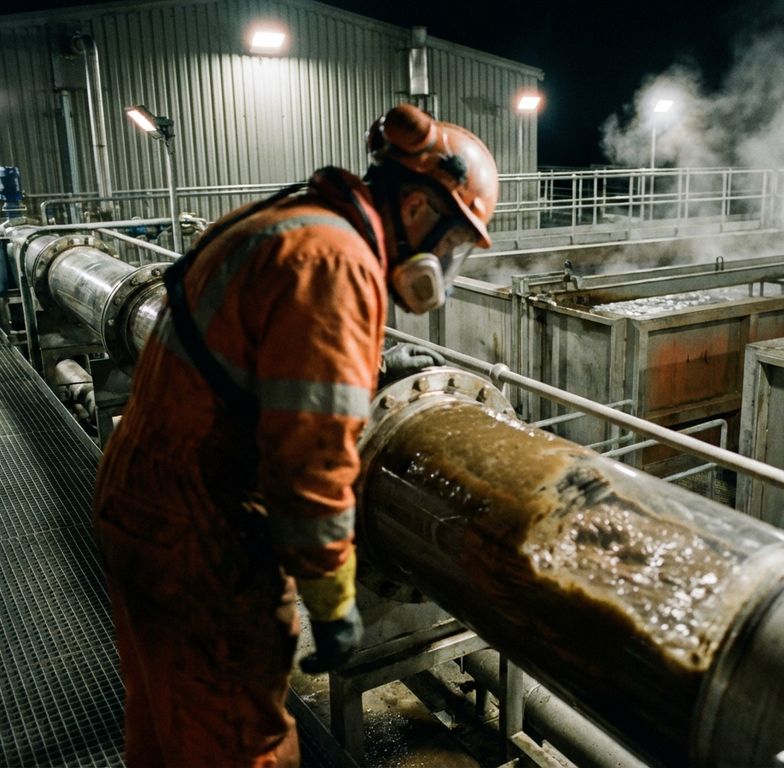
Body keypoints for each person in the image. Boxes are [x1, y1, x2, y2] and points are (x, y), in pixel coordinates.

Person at [92, 103, 499, 767]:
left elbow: (267, 368)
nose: (445, 266)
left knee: (166, 726)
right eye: (452, 245)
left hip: (141, 501)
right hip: (202, 538)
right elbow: (309, 469)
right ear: (421, 208)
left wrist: (368, 373)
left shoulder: (292, 221)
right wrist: (334, 603)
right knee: (241, 743)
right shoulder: (338, 264)